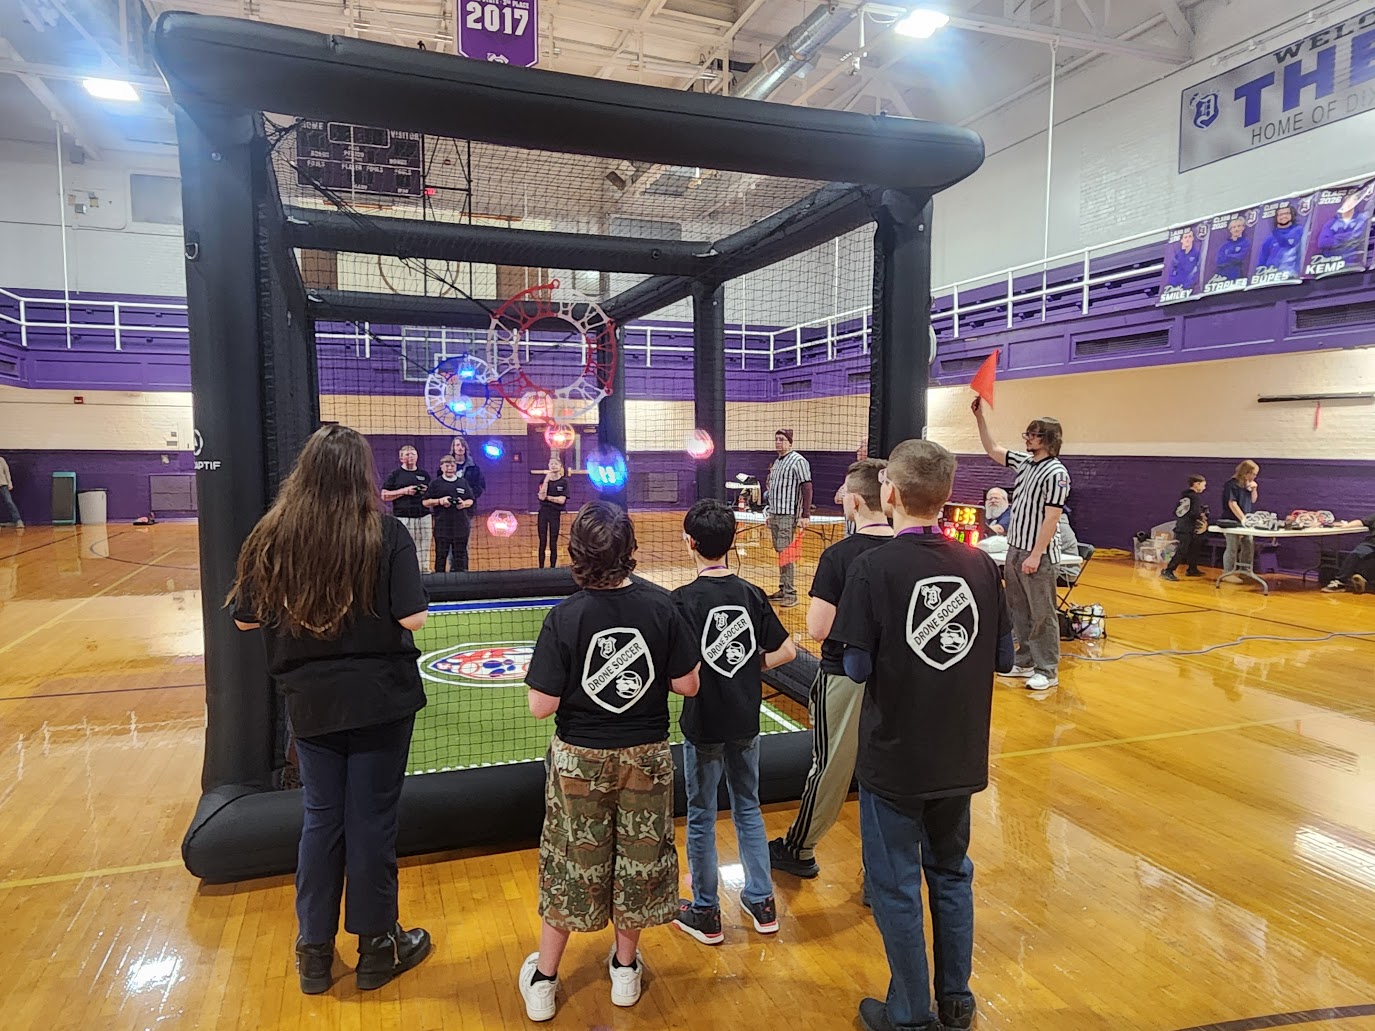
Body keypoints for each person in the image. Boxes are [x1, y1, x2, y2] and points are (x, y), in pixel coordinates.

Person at [226, 424, 431, 996]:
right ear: (360, 475)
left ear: (306, 472)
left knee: (322, 817)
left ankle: (313, 951)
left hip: (310, 703)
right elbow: (412, 617)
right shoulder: (384, 533)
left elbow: (244, 617)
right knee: (371, 822)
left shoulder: (273, 534)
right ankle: (376, 948)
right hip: (381, 699)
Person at [829, 439, 1013, 1031]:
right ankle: (956, 1000)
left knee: (897, 883)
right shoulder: (981, 564)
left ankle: (909, 1011)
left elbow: (855, 668)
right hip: (959, 753)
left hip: (896, 756)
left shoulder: (871, 567)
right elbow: (1003, 660)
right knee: (952, 872)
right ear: (946, 496)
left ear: (889, 493)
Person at [518, 502, 701, 1022]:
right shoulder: (663, 608)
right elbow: (688, 685)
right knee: (640, 859)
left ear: (576, 554)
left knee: (570, 860)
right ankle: (624, 970)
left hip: (580, 759)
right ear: (630, 551)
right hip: (646, 755)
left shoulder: (565, 616)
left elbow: (541, 705)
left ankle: (546, 980)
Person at [671, 499, 795, 945]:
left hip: (703, 723)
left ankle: (706, 910)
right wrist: (747, 665)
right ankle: (762, 901)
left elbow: (678, 674)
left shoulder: (681, 601)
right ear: (730, 543)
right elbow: (787, 651)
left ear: (691, 544)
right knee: (749, 808)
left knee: (702, 814)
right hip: (745, 721)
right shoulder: (751, 594)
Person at [770, 458, 893, 881]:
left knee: (831, 765)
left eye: (844, 493)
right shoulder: (910, 550)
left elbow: (819, 628)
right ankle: (882, 871)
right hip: (899, 681)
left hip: (844, 675)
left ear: (855, 502)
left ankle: (799, 849)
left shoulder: (840, 555)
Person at [972, 398, 1071, 692]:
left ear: (1048, 439)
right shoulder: (1025, 463)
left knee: (1042, 612)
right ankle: (1025, 660)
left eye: (1033, 434)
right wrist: (980, 418)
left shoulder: (1056, 474)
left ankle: (1047, 668)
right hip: (1015, 548)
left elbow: (1052, 518)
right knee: (1019, 609)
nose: (1027, 439)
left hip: (1036, 553)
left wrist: (1036, 554)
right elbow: (993, 449)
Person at [764, 428, 812, 608]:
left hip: (787, 515)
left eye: (782, 439)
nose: (778, 442)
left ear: (790, 442)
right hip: (775, 514)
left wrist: (805, 515)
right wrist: (769, 513)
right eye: (776, 439)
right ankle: (783, 588)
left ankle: (790, 593)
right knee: (780, 553)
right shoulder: (777, 462)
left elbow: (806, 488)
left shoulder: (798, 461)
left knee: (786, 554)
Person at [380, 445, 431, 572]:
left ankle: (424, 571)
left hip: (423, 516)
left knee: (424, 546)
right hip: (403, 517)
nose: (411, 457)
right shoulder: (395, 475)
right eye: (407, 454)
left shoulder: (424, 475)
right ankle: (406, 572)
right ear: (401, 458)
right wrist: (405, 491)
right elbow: (384, 495)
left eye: (413, 454)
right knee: (405, 546)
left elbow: (431, 495)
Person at [424, 454, 475, 573]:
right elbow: (425, 502)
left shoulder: (463, 482)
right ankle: (439, 585)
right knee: (440, 557)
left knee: (459, 558)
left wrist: (463, 504)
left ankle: (460, 586)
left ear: (455, 466)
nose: (449, 468)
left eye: (452, 465)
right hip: (442, 527)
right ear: (441, 467)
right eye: (446, 465)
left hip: (461, 526)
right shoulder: (436, 483)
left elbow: (471, 499)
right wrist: (440, 501)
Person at [1162, 475, 1208, 582]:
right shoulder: (1195, 497)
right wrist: (1201, 516)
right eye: (1203, 485)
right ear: (1197, 484)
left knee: (1194, 547)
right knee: (1182, 550)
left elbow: (1177, 511)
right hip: (1187, 527)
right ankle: (1168, 570)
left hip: (1181, 525)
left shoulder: (1184, 496)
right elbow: (1194, 513)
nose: (1204, 488)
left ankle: (1192, 569)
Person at [1221, 461, 1260, 579]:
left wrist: (1254, 489)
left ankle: (1245, 569)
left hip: (1245, 521)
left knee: (1248, 544)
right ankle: (1228, 573)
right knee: (1232, 546)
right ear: (1245, 472)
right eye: (1253, 474)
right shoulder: (1231, 485)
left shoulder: (1247, 486)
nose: (1254, 477)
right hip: (1232, 520)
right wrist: (1243, 519)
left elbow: (1253, 500)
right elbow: (1232, 504)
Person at [1322, 514, 1375, 594]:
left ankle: (1365, 580)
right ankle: (1339, 582)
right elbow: (1361, 522)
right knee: (1356, 554)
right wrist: (1346, 526)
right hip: (1371, 543)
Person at [1317, 187, 1372, 263]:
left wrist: (1336, 237)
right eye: (1347, 201)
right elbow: (1322, 242)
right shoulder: (1331, 223)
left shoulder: (1362, 219)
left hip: (1355, 264)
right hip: (1333, 264)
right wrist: (1346, 238)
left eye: (1353, 201)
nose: (1349, 204)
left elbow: (1359, 237)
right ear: (1343, 204)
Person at [537, 454, 570, 569]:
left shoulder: (564, 482)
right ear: (548, 466)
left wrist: (547, 497)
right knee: (542, 541)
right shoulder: (543, 480)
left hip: (555, 513)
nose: (553, 465)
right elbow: (541, 497)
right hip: (543, 512)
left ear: (560, 466)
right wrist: (546, 479)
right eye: (551, 464)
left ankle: (552, 568)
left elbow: (561, 500)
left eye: (556, 463)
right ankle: (540, 567)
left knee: (553, 541)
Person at [1257, 203, 1304, 277]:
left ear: (1292, 215)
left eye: (1287, 213)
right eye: (1280, 214)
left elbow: (1287, 243)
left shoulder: (1298, 230)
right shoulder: (1269, 238)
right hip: (1273, 277)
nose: (1284, 216)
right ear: (1276, 218)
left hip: (1293, 276)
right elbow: (1262, 261)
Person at [835, 441, 868, 536]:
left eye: (862, 446)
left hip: (863, 531)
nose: (858, 449)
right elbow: (838, 498)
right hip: (850, 530)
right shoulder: (853, 471)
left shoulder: (872, 472)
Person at [445, 435, 487, 506]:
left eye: (462, 445)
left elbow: (480, 486)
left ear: (465, 448)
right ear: (453, 448)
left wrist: (469, 495)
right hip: (449, 504)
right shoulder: (445, 466)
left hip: (468, 505)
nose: (460, 448)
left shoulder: (474, 468)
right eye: (457, 445)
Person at [1213, 216, 1250, 282]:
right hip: (1222, 277)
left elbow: (1241, 257)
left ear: (1243, 228)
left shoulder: (1246, 242)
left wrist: (1227, 257)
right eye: (1234, 227)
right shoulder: (1224, 246)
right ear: (1230, 230)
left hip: (1237, 277)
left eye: (1239, 226)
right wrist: (1233, 258)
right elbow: (1218, 261)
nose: (1236, 229)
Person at [0, 453, 22, 529]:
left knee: (9, 502)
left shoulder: (1, 460)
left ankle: (18, 520)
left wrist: (9, 483)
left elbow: (6, 472)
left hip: (3, 485)